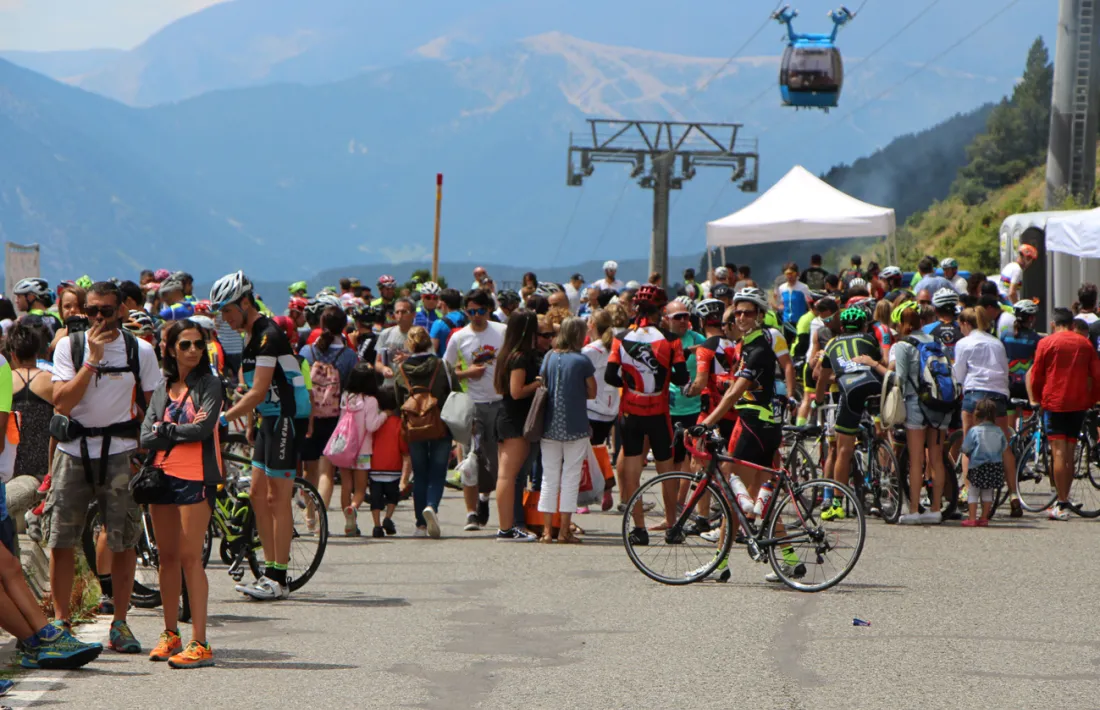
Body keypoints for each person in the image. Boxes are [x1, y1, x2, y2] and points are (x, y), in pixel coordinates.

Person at [49, 281, 161, 649]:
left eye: (106, 311)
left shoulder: (139, 350)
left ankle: (121, 622)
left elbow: (153, 406)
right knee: (61, 540)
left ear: (121, 312)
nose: (98, 318)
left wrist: (147, 453)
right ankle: (62, 621)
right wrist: (92, 361)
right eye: (91, 311)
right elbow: (61, 402)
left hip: (120, 453)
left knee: (123, 540)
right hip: (74, 451)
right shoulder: (70, 346)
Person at [210, 271, 307, 601]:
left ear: (245, 302)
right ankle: (268, 570)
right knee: (256, 495)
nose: (225, 318)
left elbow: (259, 389)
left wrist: (223, 419)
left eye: (227, 310)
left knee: (277, 498)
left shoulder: (268, 336)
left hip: (285, 419)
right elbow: (247, 389)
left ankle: (278, 577)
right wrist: (249, 423)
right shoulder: (250, 336)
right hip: (267, 420)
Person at [139, 319, 223, 669]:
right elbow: (145, 435)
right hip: (161, 477)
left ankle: (200, 642)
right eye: (185, 344)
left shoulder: (210, 384)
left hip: (196, 477)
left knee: (191, 557)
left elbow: (203, 428)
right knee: (167, 557)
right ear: (171, 348)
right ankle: (170, 633)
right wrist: (170, 431)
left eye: (199, 344)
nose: (193, 350)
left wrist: (167, 429)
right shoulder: (163, 387)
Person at [606, 285, 689, 544]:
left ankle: (639, 529)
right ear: (661, 311)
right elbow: (682, 377)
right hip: (659, 413)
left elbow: (610, 376)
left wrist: (632, 385)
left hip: (631, 412)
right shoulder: (671, 340)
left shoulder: (620, 337)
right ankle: (672, 528)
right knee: (666, 470)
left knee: (632, 470)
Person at [870, 302, 949, 524]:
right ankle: (935, 509)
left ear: (902, 324)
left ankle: (914, 509)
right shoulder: (935, 341)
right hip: (940, 404)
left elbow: (900, 379)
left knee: (916, 461)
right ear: (920, 322)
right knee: (936, 459)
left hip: (916, 405)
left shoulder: (903, 345)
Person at [1029, 307, 1100, 520]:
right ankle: (1065, 498)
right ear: (1072, 323)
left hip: (1055, 402)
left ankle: (1061, 501)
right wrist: (1092, 398)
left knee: (1058, 452)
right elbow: (1096, 374)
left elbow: (1036, 375)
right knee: (1070, 451)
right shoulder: (1084, 343)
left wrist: (1036, 398)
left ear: (1054, 324)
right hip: (1078, 402)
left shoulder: (1046, 343)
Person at [813, 306, 884, 520]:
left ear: (841, 327)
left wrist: (817, 401)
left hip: (849, 390)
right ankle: (880, 477)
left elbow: (822, 377)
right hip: (875, 386)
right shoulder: (870, 339)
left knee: (843, 450)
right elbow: (878, 363)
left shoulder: (833, 343)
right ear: (864, 325)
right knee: (879, 430)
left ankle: (836, 502)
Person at [444, 289, 506, 532]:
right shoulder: (459, 338)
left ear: (488, 310)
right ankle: (471, 513)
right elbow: (446, 370)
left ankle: (485, 499)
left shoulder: (501, 332)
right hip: (472, 404)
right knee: (471, 458)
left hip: (499, 402)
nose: (476, 316)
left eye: (480, 311)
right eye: (470, 312)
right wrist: (467, 373)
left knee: (494, 459)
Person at [394, 326, 458, 539]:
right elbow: (455, 393)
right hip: (440, 425)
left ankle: (420, 525)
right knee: (438, 472)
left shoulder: (402, 368)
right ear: (429, 342)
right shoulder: (442, 366)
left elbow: (398, 400)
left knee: (420, 473)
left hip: (413, 427)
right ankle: (431, 506)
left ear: (409, 344)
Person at [537, 317, 596, 543]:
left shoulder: (549, 357)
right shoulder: (582, 361)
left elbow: (543, 383)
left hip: (549, 425)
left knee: (549, 477)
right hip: (576, 424)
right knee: (571, 477)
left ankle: (546, 531)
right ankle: (563, 531)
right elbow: (592, 392)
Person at [955, 307, 1017, 519]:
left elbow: (960, 373)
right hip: (998, 395)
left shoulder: (963, 343)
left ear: (966, 324)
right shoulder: (996, 342)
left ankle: (967, 489)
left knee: (968, 444)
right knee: (1005, 446)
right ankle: (1014, 494)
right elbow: (1004, 370)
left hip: (975, 393)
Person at [300, 306, 359, 511]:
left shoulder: (307, 352)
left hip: (309, 416)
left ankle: (308, 514)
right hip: (336, 417)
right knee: (327, 471)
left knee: (309, 469)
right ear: (343, 327)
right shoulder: (349, 356)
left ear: (321, 324)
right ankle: (319, 519)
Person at [491, 312, 541, 542]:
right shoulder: (520, 357)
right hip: (516, 420)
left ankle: (506, 526)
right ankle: (506, 527)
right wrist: (538, 383)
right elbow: (517, 391)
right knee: (508, 476)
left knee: (506, 475)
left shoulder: (506, 354)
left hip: (506, 416)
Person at [333, 363, 389, 536]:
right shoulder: (370, 401)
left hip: (343, 446)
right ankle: (354, 508)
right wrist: (385, 415)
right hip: (362, 450)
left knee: (345, 486)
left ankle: (350, 523)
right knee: (359, 489)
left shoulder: (346, 397)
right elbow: (371, 426)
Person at [582, 310, 619, 509]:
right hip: (611, 407)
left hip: (591, 406)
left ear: (593, 324)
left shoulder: (590, 350)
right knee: (601, 448)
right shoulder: (616, 346)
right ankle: (607, 490)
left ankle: (586, 498)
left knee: (586, 452)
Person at [9, 324, 53, 482]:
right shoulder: (50, 380)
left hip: (13, 466)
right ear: (36, 352)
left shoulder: (5, 380)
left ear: (13, 355)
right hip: (45, 467)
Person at [959, 398, 1007, 527]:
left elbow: (966, 448)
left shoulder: (974, 431)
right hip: (994, 465)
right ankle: (984, 517)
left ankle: (972, 517)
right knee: (987, 492)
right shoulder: (999, 431)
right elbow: (1004, 446)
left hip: (977, 465)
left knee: (973, 491)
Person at [375, 298, 415, 387]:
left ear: (413, 314)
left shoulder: (420, 334)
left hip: (411, 387)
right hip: (389, 387)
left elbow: (429, 361)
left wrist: (409, 358)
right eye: (397, 312)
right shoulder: (385, 334)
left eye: (404, 312)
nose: (400, 315)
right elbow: (377, 362)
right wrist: (383, 369)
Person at [774, 263, 811, 343]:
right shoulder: (782, 288)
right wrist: (776, 307)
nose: (789, 276)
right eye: (787, 274)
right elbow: (781, 304)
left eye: (792, 273)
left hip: (800, 321)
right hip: (787, 322)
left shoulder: (803, 287)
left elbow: (809, 304)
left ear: (796, 274)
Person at [49, 286, 87, 354]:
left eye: (78, 306)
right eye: (67, 306)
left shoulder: (89, 328)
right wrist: (70, 325)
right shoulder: (61, 331)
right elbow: (52, 347)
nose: (72, 310)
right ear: (61, 310)